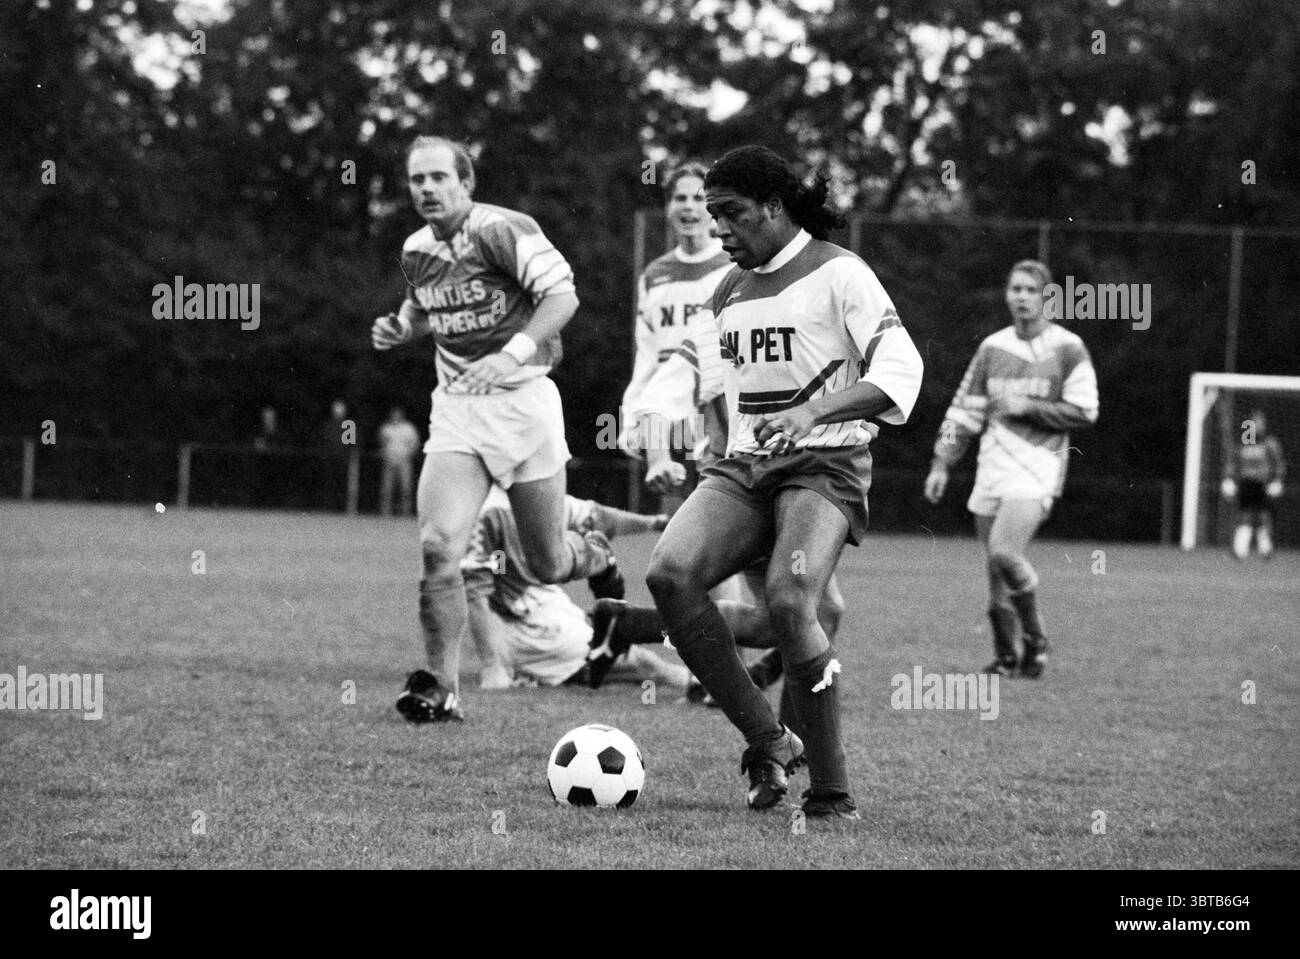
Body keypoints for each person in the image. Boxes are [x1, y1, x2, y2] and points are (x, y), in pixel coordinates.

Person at [645, 145, 924, 819]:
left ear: (774, 207)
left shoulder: (840, 273)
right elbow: (698, 372)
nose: (719, 230)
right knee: (669, 572)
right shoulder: (727, 291)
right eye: (712, 216)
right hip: (744, 467)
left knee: (793, 601)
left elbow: (901, 368)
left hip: (824, 463)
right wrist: (660, 419)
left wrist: (812, 411)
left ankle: (832, 795)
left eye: (730, 213)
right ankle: (768, 737)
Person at [372, 135, 620, 725]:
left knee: (546, 562)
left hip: (525, 403)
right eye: (416, 180)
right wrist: (402, 328)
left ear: (466, 182)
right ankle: (441, 688)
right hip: (458, 407)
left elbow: (562, 297)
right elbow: (422, 304)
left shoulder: (504, 230)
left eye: (438, 177)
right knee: (438, 548)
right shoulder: (415, 248)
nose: (426, 189)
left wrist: (512, 354)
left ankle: (594, 554)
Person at [923, 260, 1099, 679]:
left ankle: (1036, 639)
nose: (1021, 297)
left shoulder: (1068, 348)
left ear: (1047, 297)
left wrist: (1028, 407)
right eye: (1015, 289)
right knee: (996, 571)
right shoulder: (992, 349)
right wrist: (941, 463)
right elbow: (963, 410)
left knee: (1005, 552)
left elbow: (1086, 410)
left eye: (1030, 290)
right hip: (991, 468)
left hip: (1037, 467)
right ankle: (1007, 656)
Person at [454, 487, 687, 691]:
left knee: (619, 643)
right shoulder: (488, 510)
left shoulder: (532, 490)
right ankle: (698, 685)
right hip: (525, 626)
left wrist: (657, 523)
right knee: (643, 663)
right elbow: (475, 592)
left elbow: (600, 518)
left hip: (550, 603)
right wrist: (493, 667)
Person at [619, 162, 734, 514]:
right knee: (680, 531)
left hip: (721, 412)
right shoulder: (655, 276)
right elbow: (647, 358)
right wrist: (633, 418)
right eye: (679, 198)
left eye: (699, 198)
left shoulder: (734, 265)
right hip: (669, 417)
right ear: (668, 207)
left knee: (729, 525)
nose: (689, 206)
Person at [1221, 408, 1285, 559]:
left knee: (1264, 516)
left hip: (1263, 483)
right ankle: (1240, 550)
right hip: (1247, 483)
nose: (1258, 424)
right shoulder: (1245, 440)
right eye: (1255, 421)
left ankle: (1266, 549)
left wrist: (1277, 480)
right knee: (1245, 515)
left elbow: (1279, 464)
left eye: (1260, 421)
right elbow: (1234, 462)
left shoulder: (1270, 442)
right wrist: (1228, 478)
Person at [378, 406, 421, 516]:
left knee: (406, 488)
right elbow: (381, 442)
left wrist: (408, 454)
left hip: (404, 462)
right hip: (389, 461)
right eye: (394, 414)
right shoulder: (386, 428)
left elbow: (415, 443)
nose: (396, 416)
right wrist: (386, 454)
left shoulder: (409, 428)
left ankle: (405, 512)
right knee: (387, 488)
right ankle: (385, 512)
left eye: (398, 414)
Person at [320, 398, 352, 512]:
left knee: (343, 485)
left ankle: (343, 508)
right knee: (330, 484)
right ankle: (329, 507)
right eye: (336, 409)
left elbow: (351, 444)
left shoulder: (348, 425)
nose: (338, 411)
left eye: (340, 409)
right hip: (330, 459)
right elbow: (325, 442)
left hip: (343, 460)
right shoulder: (328, 424)